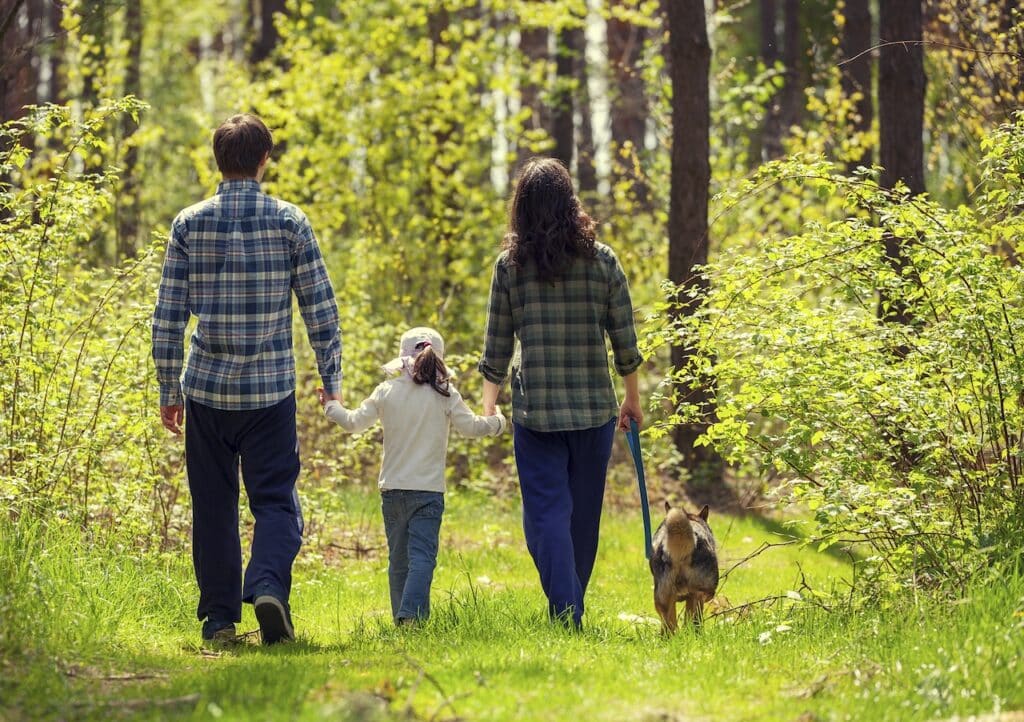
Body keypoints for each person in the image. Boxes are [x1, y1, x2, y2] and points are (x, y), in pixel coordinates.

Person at [152, 113, 342, 645]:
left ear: (218, 160)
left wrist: (169, 389)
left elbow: (168, 315)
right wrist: (331, 377)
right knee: (276, 501)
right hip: (270, 393)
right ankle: (266, 586)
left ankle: (218, 621)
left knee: (213, 506)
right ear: (264, 160)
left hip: (207, 393)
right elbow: (320, 309)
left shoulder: (188, 224)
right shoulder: (290, 221)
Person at [478, 157, 643, 628]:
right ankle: (569, 608)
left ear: (522, 209)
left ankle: (566, 609)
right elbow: (625, 338)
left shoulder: (510, 267)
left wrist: (489, 406)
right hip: (592, 412)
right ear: (570, 203)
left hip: (538, 414)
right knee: (581, 520)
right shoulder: (602, 261)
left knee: (545, 517)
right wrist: (631, 397)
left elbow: (496, 343)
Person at [318, 327, 505, 624]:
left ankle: (402, 618)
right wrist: (497, 422)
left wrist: (330, 406)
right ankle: (411, 616)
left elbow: (353, 422)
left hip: (392, 490)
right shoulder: (446, 393)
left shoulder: (387, 390)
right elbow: (471, 428)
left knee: (399, 561)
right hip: (428, 492)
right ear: (439, 359)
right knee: (422, 558)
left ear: (402, 358)